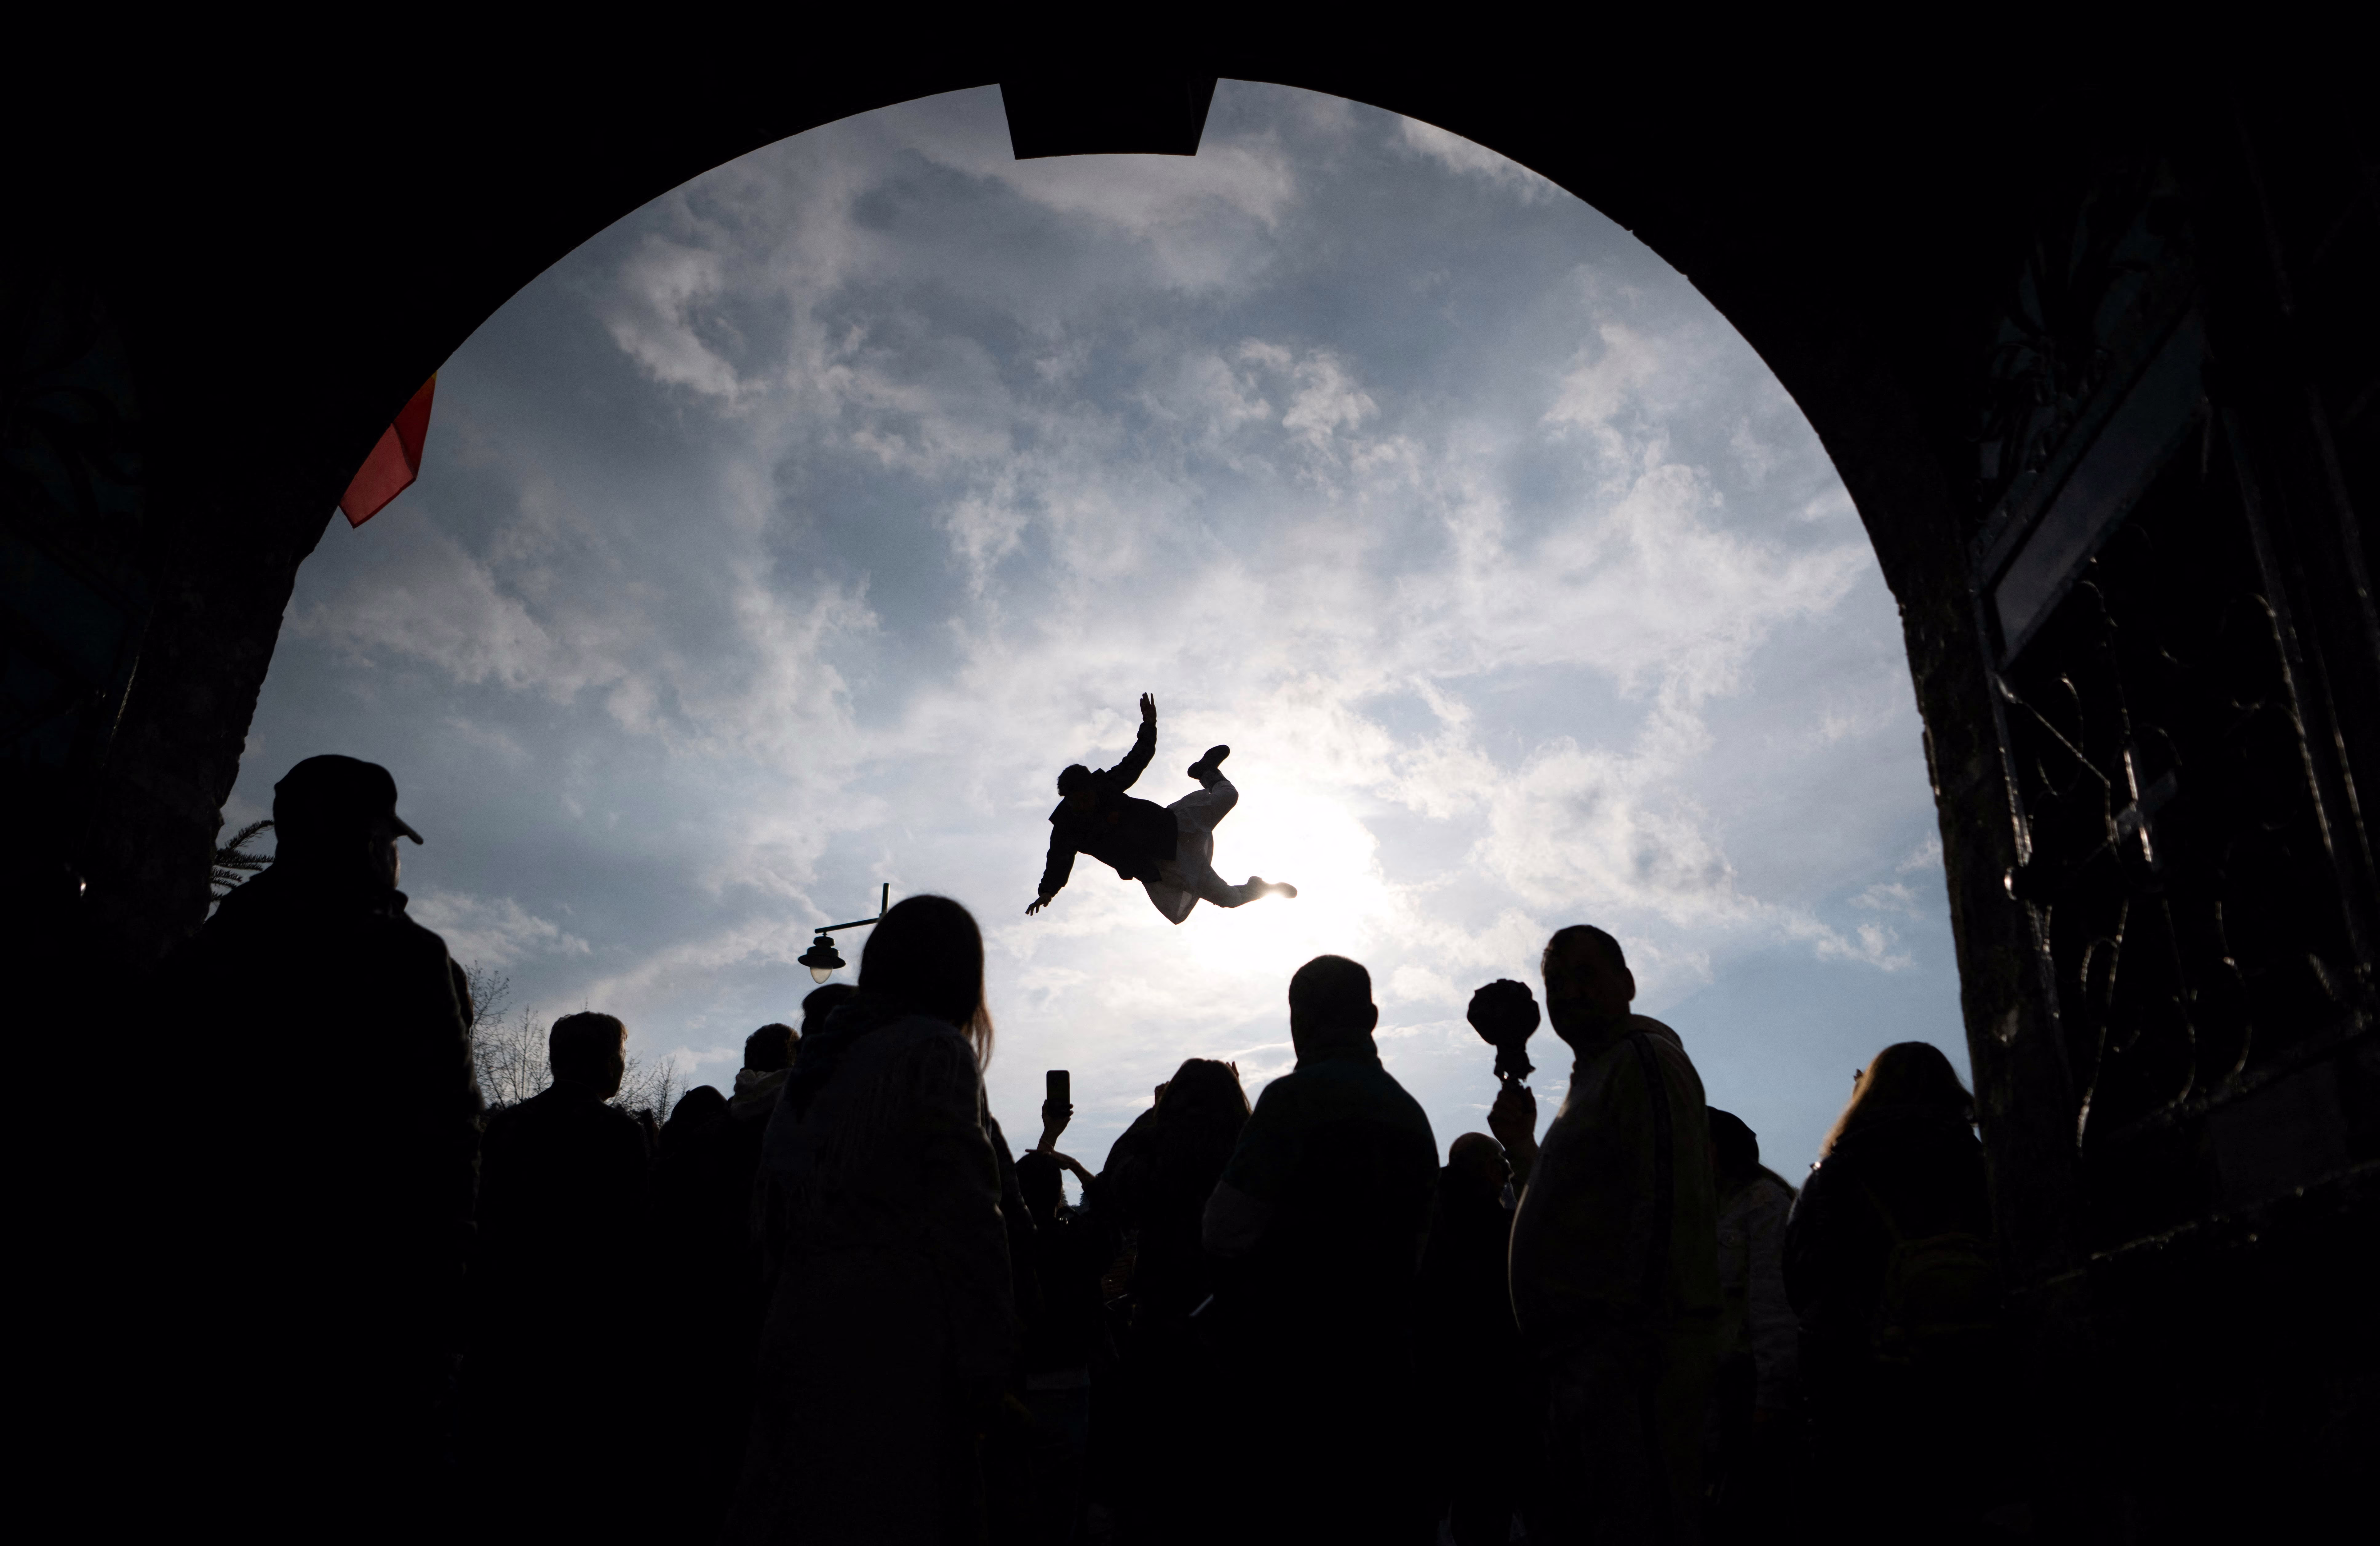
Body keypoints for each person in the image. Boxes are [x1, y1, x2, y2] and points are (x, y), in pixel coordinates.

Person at [148, 754, 481, 1543]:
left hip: (211, 1301)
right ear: (373, 841)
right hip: (362, 1306)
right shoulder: (405, 956)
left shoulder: (212, 948)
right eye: (389, 839)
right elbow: (446, 1141)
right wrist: (443, 1297)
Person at [726, 896, 1014, 1546]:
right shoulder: (935, 1050)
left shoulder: (812, 1073)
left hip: (797, 1323)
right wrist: (989, 1357)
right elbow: (969, 1219)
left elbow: (768, 1214)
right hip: (893, 1336)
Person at [1204, 955, 1440, 1546]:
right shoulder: (1414, 1117)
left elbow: (1223, 1230)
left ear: (1297, 1021)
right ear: (1372, 1018)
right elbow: (1418, 1254)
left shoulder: (1290, 1101)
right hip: (1387, 1383)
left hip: (1295, 1389)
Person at [1496, 926, 1720, 1546]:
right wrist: (1520, 1147)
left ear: (1625, 984)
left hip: (1631, 1358)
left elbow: (1668, 1196)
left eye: (1584, 974)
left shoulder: (1641, 1058)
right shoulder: (1590, 1079)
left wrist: (1639, 1334)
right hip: (1587, 1364)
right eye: (1555, 982)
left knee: (1644, 1521)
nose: (1568, 991)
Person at [1785, 1044, 2001, 1543]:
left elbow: (1802, 1283)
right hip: (1975, 1385)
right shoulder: (1985, 1165)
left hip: (1865, 1399)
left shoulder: (1833, 1179)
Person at [468, 1011, 654, 1540]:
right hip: (583, 1336)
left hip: (507, 1327)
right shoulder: (618, 1133)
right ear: (603, 1061)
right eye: (620, 1054)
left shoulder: (507, 1125)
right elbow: (629, 1238)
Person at [1026, 692, 1296, 925]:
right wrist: (1047, 892)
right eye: (1076, 803)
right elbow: (1058, 859)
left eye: (1086, 799)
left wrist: (1149, 724)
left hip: (1174, 826)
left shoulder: (1106, 786)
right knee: (1229, 899)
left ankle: (1207, 772)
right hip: (1166, 866)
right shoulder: (1067, 827)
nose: (1083, 807)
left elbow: (1136, 760)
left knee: (1229, 796)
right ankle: (1259, 890)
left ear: (1092, 789)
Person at [1418, 1133, 1533, 1546]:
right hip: (1493, 1390)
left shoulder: (1422, 1216)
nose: (1506, 1170)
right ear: (1489, 1168)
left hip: (1430, 1383)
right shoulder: (1503, 1227)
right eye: (1502, 1162)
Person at [1703, 1109, 1799, 1544]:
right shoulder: (1702, 1208)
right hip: (1714, 1391)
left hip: (1747, 1387)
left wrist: (1770, 1400)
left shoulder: (1763, 1203)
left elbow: (1772, 1307)